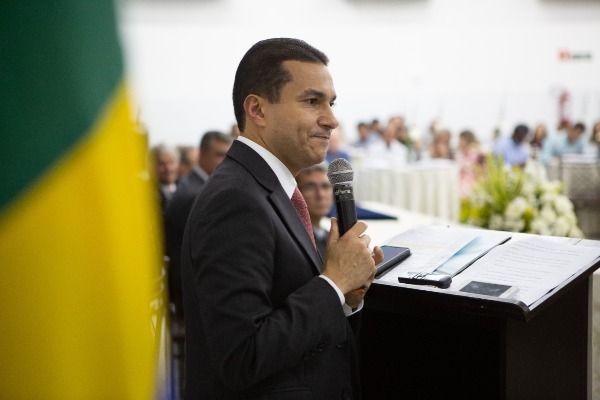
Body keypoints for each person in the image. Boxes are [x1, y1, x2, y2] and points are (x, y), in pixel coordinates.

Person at [181, 38, 383, 400]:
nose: (331, 119)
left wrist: (347, 293)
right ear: (257, 109)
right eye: (312, 101)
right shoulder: (235, 199)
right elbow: (243, 355)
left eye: (331, 103)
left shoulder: (270, 189)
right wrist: (333, 283)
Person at [164, 130, 233, 320]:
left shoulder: (197, 186)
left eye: (228, 156)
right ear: (201, 155)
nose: (226, 161)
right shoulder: (196, 194)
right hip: (194, 299)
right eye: (220, 155)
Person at [296, 163, 334, 257]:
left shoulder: (332, 238)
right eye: (310, 187)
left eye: (325, 186)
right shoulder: (291, 238)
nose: (320, 195)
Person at [151, 144, 179, 212]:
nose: (168, 169)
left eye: (171, 163)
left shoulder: (185, 189)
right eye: (162, 164)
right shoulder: (149, 194)